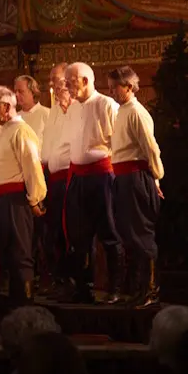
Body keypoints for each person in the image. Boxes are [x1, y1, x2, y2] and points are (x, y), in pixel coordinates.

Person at [107, 66, 164, 307]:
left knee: (141, 233)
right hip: (123, 178)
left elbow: (150, 148)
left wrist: (156, 178)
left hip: (136, 177)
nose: (111, 92)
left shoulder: (137, 112)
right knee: (128, 233)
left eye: (114, 87)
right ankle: (138, 288)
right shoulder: (122, 112)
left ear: (129, 86)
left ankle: (150, 290)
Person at [63, 62, 120, 304]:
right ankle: (82, 288)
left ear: (85, 80)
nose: (66, 87)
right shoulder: (73, 108)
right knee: (79, 235)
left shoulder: (107, 105)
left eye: (70, 82)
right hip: (78, 178)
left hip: (102, 177)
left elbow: (117, 144)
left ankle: (115, 287)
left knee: (109, 232)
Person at [0, 86, 47, 312]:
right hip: (3, 201)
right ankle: (14, 306)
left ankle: (26, 307)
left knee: (21, 252)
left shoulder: (21, 130)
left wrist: (35, 199)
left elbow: (32, 166)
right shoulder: (5, 130)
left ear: (5, 106)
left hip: (16, 200)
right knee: (9, 254)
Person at [39, 63, 74, 299]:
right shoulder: (53, 111)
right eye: (51, 81)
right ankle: (59, 279)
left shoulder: (80, 109)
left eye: (57, 81)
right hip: (54, 180)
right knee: (53, 233)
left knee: (72, 231)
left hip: (73, 179)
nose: (52, 85)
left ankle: (76, 281)